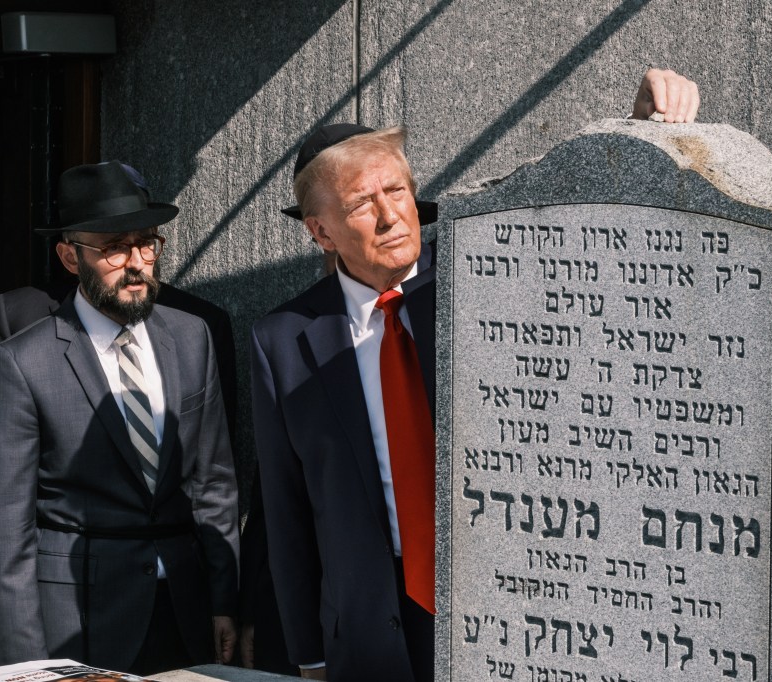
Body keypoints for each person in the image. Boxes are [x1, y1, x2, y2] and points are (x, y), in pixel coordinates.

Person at [250, 69, 699, 681]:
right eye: (361, 203)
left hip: (504, 615)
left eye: (398, 192)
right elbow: (286, 509)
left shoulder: (482, 283)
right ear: (320, 230)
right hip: (364, 633)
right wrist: (309, 656)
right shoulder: (283, 339)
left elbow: (588, 250)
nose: (390, 216)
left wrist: (642, 130)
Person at [0, 161, 239, 675]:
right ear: (70, 257)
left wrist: (224, 600)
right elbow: (7, 535)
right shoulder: (20, 363)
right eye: (114, 247)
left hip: (184, 616)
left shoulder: (192, 337)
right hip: (77, 619)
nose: (137, 262)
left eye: (147, 242)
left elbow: (215, 484)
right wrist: (27, 668)